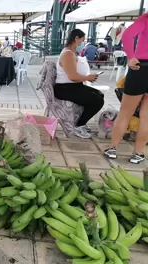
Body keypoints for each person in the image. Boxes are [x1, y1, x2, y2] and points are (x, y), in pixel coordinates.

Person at [104, 13, 148, 164]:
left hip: (140, 68)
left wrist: (130, 57)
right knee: (146, 117)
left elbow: (128, 35)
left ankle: (112, 148)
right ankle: (138, 154)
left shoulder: (146, 19)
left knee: (125, 113)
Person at [54, 29, 104, 139]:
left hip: (72, 86)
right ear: (76, 38)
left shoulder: (71, 53)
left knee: (99, 95)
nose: (82, 42)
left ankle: (81, 121)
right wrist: (88, 77)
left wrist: (88, 77)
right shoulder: (67, 54)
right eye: (82, 39)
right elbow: (72, 76)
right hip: (64, 88)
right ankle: (79, 125)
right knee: (97, 101)